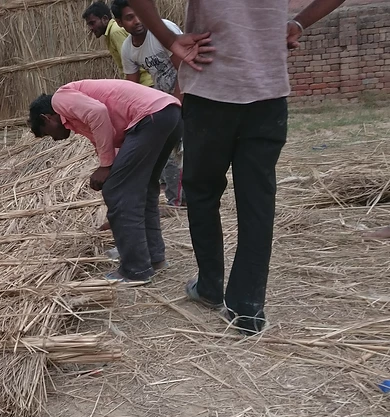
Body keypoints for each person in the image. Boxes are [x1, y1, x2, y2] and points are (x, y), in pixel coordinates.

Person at [126, 0, 347, 334]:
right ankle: (247, 308)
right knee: (257, 199)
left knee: (201, 193)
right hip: (268, 92)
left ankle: (211, 287)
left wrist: (169, 40)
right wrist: (298, 23)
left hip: (211, 85)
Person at [29, 80, 182, 283]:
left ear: (46, 118)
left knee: (116, 190)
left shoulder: (60, 99)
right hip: (168, 114)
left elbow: (98, 112)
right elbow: (108, 142)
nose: (54, 139)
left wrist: (106, 168)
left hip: (149, 117)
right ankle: (154, 259)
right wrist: (120, 217)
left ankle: (135, 269)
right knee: (143, 188)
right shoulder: (76, 118)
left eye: (48, 133)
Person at [112, 0, 185, 208]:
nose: (137, 21)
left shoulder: (163, 31)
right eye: (129, 18)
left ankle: (185, 200)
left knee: (184, 150)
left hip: (188, 93)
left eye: (138, 14)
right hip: (164, 100)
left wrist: (177, 105)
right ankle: (179, 198)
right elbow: (133, 89)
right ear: (119, 23)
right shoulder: (128, 49)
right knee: (168, 150)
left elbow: (184, 71)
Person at [82, 1, 152, 86]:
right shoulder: (110, 33)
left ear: (104, 19)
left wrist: (132, 90)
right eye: (89, 25)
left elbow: (132, 63)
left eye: (92, 23)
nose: (90, 28)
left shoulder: (115, 32)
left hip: (145, 83)